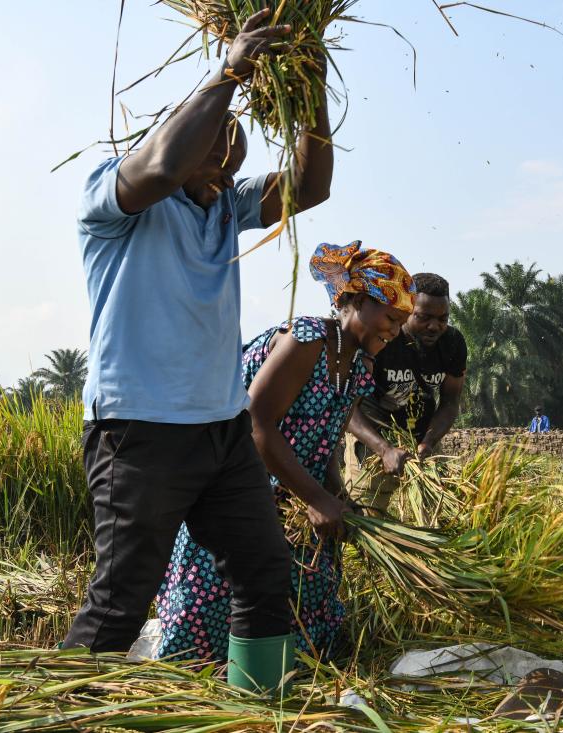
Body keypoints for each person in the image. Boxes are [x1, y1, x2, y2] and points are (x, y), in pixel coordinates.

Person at [64, 9, 334, 692]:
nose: (224, 167)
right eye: (213, 154)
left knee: (265, 571)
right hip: (141, 431)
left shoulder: (222, 207)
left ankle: (257, 705)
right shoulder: (113, 196)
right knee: (122, 599)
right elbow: (160, 165)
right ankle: (58, 709)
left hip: (222, 430)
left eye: (231, 159)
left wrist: (309, 86)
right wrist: (232, 68)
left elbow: (310, 186)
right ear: (178, 137)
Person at [156, 242, 415, 666]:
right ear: (358, 300)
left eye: (401, 323)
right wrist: (315, 497)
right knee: (216, 606)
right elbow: (256, 423)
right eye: (390, 317)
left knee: (301, 607)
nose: (394, 331)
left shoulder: (359, 367)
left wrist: (336, 496)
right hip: (238, 487)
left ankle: (278, 678)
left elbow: (325, 441)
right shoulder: (307, 339)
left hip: (291, 492)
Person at [345, 273, 467, 515]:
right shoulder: (382, 338)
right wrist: (384, 449)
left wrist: (429, 442)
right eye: (424, 317)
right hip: (373, 435)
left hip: (421, 436)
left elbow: (450, 401)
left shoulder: (452, 343)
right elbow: (348, 408)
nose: (434, 326)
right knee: (366, 515)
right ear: (406, 309)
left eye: (442, 319)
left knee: (441, 513)